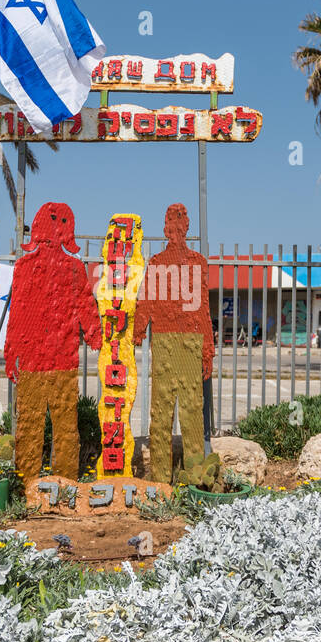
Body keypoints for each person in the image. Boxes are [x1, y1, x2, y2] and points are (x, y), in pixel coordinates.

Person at [5, 202, 101, 479]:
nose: (56, 227)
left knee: (60, 425)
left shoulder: (72, 268)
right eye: (53, 221)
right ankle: (31, 481)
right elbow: (19, 314)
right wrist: (12, 353)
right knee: (36, 424)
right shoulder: (26, 267)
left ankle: (60, 480)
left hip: (58, 360)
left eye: (61, 221)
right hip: (42, 361)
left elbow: (84, 303)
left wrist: (94, 332)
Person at [133, 204, 212, 482]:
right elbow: (147, 301)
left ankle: (188, 476)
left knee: (184, 412)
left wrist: (207, 349)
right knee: (168, 412)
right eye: (174, 221)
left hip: (184, 342)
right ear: (169, 227)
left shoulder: (192, 263)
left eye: (180, 221)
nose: (177, 227)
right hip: (172, 342)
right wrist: (139, 327)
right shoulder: (159, 263)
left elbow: (202, 309)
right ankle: (168, 479)